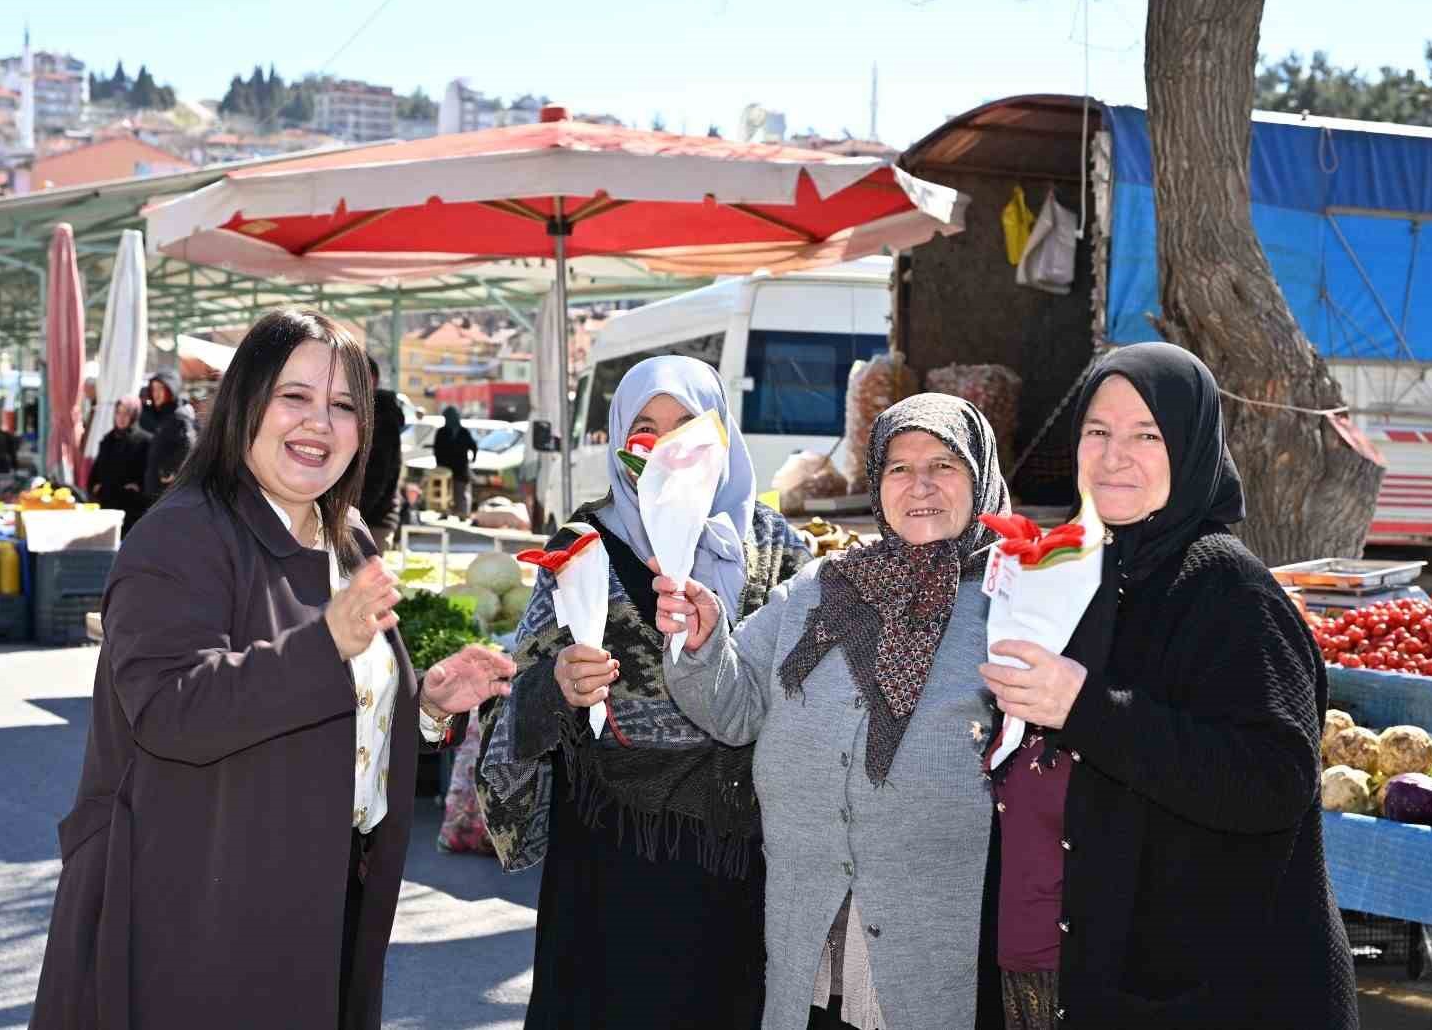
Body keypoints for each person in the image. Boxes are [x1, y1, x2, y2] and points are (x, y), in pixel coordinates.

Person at [29, 309, 516, 1030]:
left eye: (344, 405)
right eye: (295, 396)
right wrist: (326, 644)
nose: (320, 422)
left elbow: (329, 706)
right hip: (195, 911)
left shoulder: (341, 533)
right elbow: (171, 710)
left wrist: (423, 709)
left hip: (317, 896)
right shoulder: (182, 533)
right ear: (246, 402)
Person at [974, 342, 1359, 1030]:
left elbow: (1274, 780)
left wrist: (1086, 709)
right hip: (1125, 983)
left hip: (1233, 993)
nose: (1115, 455)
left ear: (1190, 444)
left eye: (1146, 435)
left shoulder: (1230, 591)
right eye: (1098, 432)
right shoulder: (1085, 575)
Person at [476, 356, 813, 1030]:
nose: (663, 449)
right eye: (644, 430)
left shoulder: (777, 548)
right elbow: (518, 698)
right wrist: (560, 686)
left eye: (685, 425)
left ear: (720, 433)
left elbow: (805, 689)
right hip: (611, 866)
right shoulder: (581, 546)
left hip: (739, 861)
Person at [652, 393, 1008, 1030]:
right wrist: (704, 643)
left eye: (944, 465)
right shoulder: (819, 588)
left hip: (936, 948)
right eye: (899, 467)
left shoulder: (1012, 603)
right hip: (810, 941)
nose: (919, 485)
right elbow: (733, 710)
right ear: (876, 481)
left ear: (980, 476)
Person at [358, 356, 405, 548]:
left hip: (372, 521)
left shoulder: (382, 420)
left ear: (373, 381)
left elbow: (377, 477)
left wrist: (349, 518)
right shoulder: (357, 413)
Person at [87, 396, 151, 527]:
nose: (121, 418)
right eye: (118, 412)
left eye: (126, 413)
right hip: (106, 506)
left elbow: (148, 474)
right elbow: (97, 470)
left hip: (131, 510)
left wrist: (137, 489)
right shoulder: (108, 439)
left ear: (134, 415)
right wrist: (95, 486)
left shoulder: (144, 441)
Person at [141, 369, 196, 503]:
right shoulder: (164, 415)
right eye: (153, 389)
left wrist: (169, 470)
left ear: (171, 390)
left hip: (167, 490)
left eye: (161, 389)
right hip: (157, 489)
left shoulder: (179, 416)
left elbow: (188, 444)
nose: (156, 394)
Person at [430, 405, 477, 519]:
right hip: (451, 467)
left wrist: (473, 458)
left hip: (455, 467)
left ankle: (457, 513)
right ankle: (452, 512)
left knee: (456, 490)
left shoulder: (461, 432)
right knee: (450, 490)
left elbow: (473, 446)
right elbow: (436, 449)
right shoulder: (447, 432)